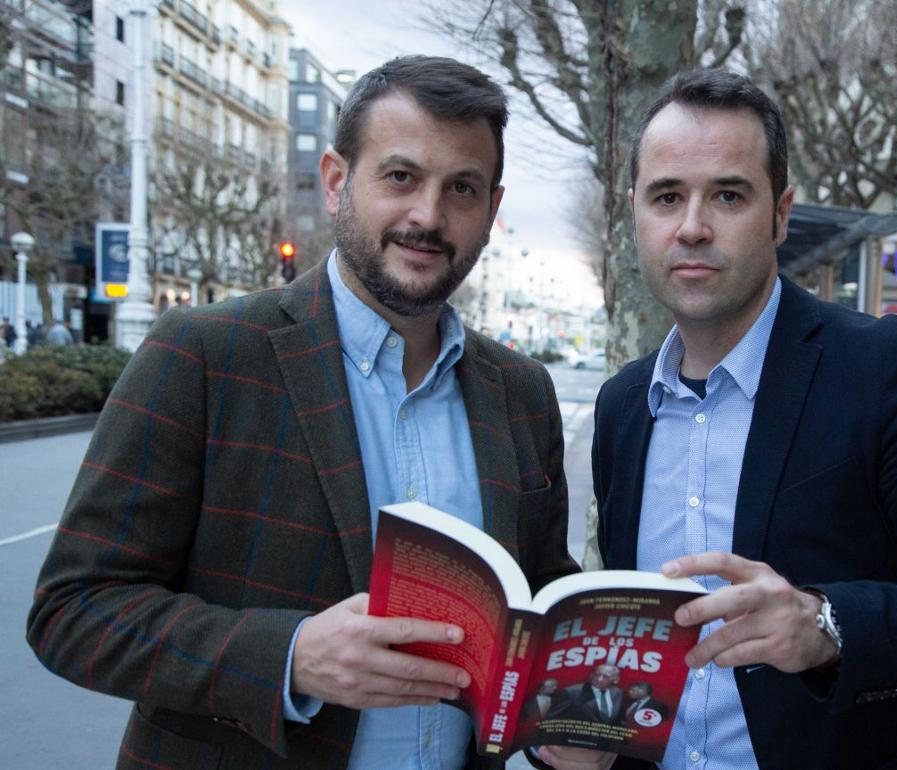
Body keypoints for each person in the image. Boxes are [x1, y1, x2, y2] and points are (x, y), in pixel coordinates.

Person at [28, 56, 605, 770]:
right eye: (401, 177)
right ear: (337, 181)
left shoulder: (521, 391)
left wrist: (568, 720)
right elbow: (73, 611)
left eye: (462, 187)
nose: (428, 215)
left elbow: (534, 606)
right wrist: (291, 657)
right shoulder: (206, 355)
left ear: (491, 208)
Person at [592, 69, 897, 770]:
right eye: (666, 197)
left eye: (728, 194)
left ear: (781, 213)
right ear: (635, 214)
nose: (692, 226)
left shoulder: (889, 367)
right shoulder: (622, 406)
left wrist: (828, 625)